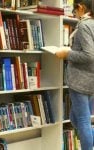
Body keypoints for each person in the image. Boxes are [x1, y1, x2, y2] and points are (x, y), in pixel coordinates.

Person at [55, 0, 94, 149]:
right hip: (90, 80)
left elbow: (89, 55)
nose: (74, 14)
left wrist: (67, 53)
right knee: (75, 120)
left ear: (81, 7)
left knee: (83, 121)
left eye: (74, 11)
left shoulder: (84, 25)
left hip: (80, 81)